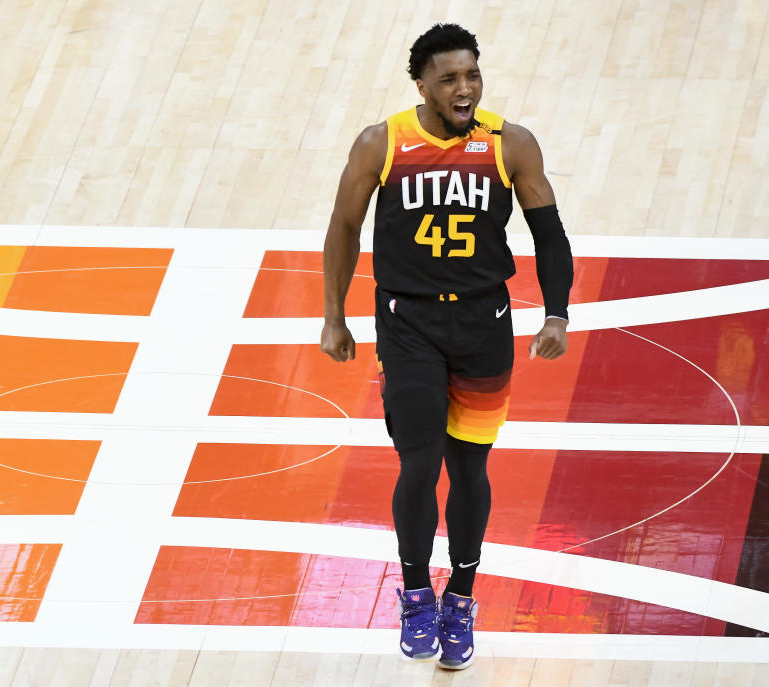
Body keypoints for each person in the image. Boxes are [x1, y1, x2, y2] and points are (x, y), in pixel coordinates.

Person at [320, 23, 573, 670]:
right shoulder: (382, 143)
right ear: (422, 87)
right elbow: (345, 225)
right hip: (408, 324)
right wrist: (334, 317)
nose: (465, 89)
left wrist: (556, 312)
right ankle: (413, 590)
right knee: (419, 458)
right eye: (450, 79)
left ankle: (460, 594)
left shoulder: (508, 143)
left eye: (473, 76)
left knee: (469, 468)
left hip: (485, 323)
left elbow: (549, 232)